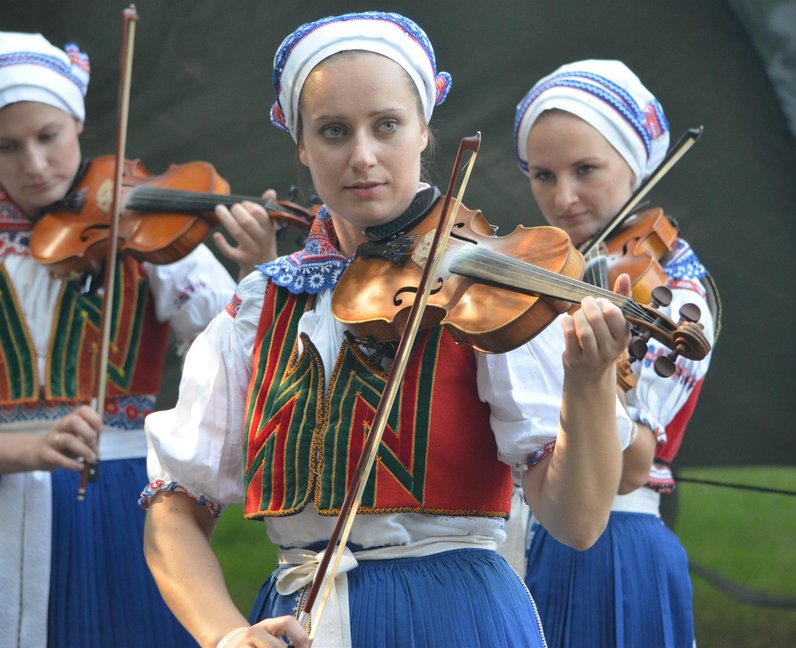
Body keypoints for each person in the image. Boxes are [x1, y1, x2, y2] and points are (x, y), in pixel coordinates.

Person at [141, 12, 635, 648]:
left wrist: (589, 383)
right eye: (334, 131)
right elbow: (175, 509)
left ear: (424, 129)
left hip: (456, 618)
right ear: (300, 144)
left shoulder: (484, 288)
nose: (363, 157)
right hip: (298, 619)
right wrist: (225, 635)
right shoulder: (259, 304)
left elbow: (577, 522)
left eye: (387, 125)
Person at [0, 32, 280, 647]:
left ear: (77, 122)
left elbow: (244, 367)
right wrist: (29, 451)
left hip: (120, 502)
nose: (35, 164)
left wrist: (257, 273)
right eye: (6, 147)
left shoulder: (146, 229)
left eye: (49, 136)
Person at [512, 59, 719, 647]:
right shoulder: (548, 271)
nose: (564, 197)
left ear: (638, 163)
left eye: (586, 170)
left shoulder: (674, 294)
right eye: (543, 175)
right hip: (517, 543)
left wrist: (600, 373)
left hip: (608, 552)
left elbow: (631, 466)